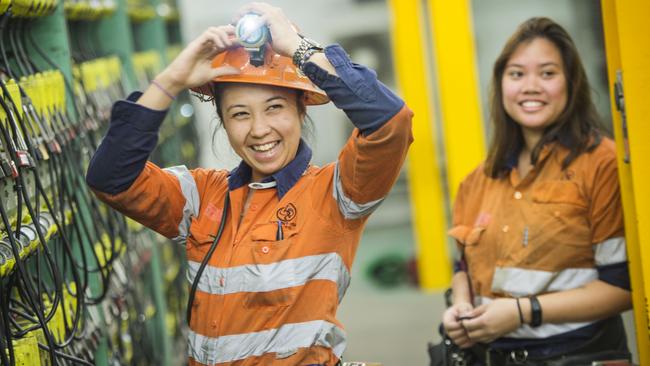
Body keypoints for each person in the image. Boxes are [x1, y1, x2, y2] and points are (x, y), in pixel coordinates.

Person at [86, 2, 412, 365]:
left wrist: (298, 48)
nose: (259, 130)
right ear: (224, 124)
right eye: (240, 114)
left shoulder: (336, 194)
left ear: (301, 110)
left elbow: (390, 121)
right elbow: (110, 178)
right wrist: (172, 79)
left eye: (275, 108)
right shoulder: (201, 196)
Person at [441, 17, 631, 364]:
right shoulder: (478, 180)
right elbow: (463, 268)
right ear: (501, 84)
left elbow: (623, 287)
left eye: (547, 73)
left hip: (580, 355)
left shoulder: (602, 164)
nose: (531, 86)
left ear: (571, 83)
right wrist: (460, 306)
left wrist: (523, 311)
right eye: (517, 74)